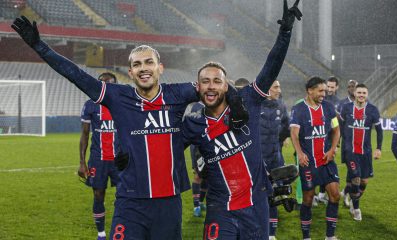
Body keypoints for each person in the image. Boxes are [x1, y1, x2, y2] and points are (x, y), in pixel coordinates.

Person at [11, 16, 248, 240]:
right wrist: (40, 47)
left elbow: (215, 85)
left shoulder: (179, 92)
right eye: (137, 64)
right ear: (131, 72)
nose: (143, 68)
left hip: (168, 202)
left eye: (149, 62)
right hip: (129, 202)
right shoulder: (117, 96)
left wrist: (236, 103)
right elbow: (77, 76)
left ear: (160, 68)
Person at [182, 1, 301, 238]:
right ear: (198, 88)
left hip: (255, 205)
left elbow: (270, 69)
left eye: (217, 81)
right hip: (220, 209)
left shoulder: (248, 102)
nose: (211, 86)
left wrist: (285, 33)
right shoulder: (193, 124)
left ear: (226, 86)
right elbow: (163, 143)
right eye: (205, 81)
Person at [290, 77, 341, 240]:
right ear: (309, 90)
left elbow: (336, 130)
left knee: (335, 195)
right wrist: (300, 153)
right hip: (309, 162)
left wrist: (332, 149)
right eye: (320, 91)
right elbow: (294, 134)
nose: (323, 94)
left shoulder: (329, 107)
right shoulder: (298, 109)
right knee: (308, 199)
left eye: (325, 91)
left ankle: (330, 236)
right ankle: (306, 237)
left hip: (327, 160)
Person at [78, 72, 120, 240]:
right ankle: (101, 233)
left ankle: (121, 227)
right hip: (98, 158)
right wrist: (82, 162)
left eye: (109, 84)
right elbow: (84, 135)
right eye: (102, 84)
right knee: (98, 195)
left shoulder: (122, 104)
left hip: (120, 160)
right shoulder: (90, 105)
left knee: (124, 195)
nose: (105, 87)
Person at [339, 83, 383, 221]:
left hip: (366, 152)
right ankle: (356, 208)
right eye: (359, 93)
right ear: (355, 94)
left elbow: (380, 131)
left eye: (364, 93)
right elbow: (340, 126)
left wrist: (378, 148)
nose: (361, 95)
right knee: (356, 178)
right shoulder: (346, 108)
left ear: (367, 95)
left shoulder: (373, 110)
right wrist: (336, 143)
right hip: (349, 150)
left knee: (364, 182)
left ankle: (348, 194)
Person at [259, 80, 290, 240]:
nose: (279, 90)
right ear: (267, 89)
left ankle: (271, 234)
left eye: (279, 86)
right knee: (259, 196)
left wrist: (279, 142)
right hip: (257, 159)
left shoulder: (281, 106)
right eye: (276, 87)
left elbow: (287, 126)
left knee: (274, 194)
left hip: (275, 157)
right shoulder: (256, 105)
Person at [316, 76, 340, 205]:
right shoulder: (320, 99)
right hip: (317, 139)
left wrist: (336, 145)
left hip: (329, 141)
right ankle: (314, 194)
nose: (329, 89)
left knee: (326, 164)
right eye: (328, 87)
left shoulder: (337, 103)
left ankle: (321, 193)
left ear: (336, 87)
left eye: (332, 87)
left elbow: (337, 126)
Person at [337, 79, 358, 207]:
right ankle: (347, 194)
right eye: (349, 86)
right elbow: (339, 123)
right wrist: (338, 140)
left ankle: (345, 192)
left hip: (360, 144)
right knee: (352, 170)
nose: (351, 88)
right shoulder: (343, 104)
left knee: (355, 171)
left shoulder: (363, 103)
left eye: (353, 86)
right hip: (347, 143)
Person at [187, 102, 208, 217]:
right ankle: (196, 206)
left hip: (209, 144)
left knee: (207, 176)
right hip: (197, 147)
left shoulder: (213, 103)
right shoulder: (197, 106)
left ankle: (200, 201)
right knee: (198, 175)